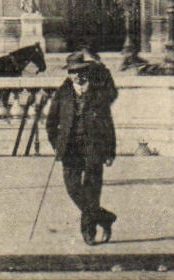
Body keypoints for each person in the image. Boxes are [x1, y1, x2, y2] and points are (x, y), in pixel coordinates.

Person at [45, 50, 119, 246]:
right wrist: (57, 145)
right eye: (72, 72)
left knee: (92, 189)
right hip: (70, 149)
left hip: (93, 147)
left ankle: (88, 232)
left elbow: (107, 124)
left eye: (79, 71)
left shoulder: (98, 93)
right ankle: (104, 217)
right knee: (72, 188)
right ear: (68, 74)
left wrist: (110, 152)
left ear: (86, 70)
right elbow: (50, 123)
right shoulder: (63, 93)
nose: (76, 75)